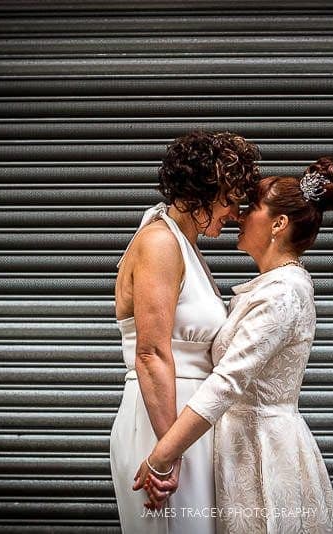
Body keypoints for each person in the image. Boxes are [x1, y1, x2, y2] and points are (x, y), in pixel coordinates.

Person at [134, 156, 333, 533]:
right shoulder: (270, 287)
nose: (238, 215)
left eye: (252, 208)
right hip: (240, 447)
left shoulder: (283, 293)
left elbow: (228, 380)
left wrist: (162, 454)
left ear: (278, 224)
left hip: (264, 450)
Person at [110, 130, 261, 534]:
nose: (236, 213)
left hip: (184, 425)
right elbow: (151, 354)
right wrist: (167, 453)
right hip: (163, 420)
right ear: (198, 193)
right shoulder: (160, 242)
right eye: (228, 200)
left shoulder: (184, 246)